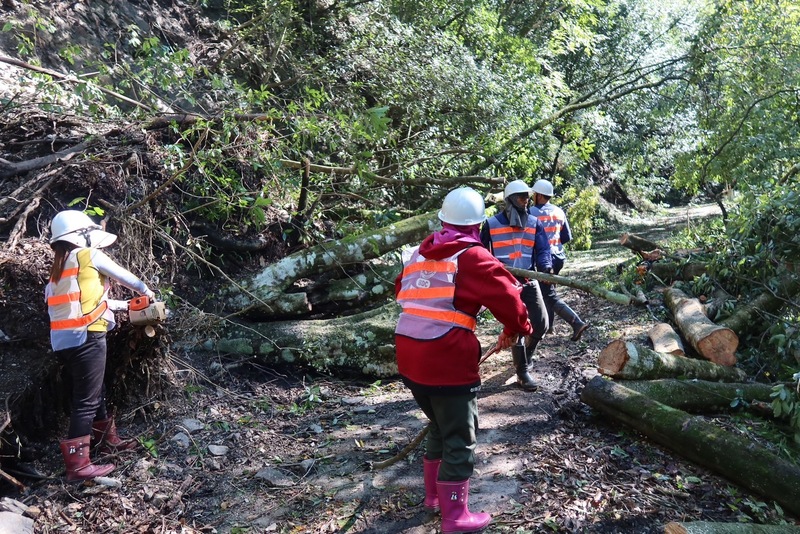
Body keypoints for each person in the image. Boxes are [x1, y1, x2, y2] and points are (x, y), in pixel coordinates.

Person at [395, 187, 533, 534]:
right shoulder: (473, 257)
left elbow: (403, 290)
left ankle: (433, 498)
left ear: (442, 221)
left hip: (408, 355)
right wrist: (518, 328)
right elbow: (510, 298)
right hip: (445, 357)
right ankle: (455, 518)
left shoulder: (417, 253)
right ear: (477, 226)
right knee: (460, 435)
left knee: (440, 426)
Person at [45, 210, 155, 482]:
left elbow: (85, 303)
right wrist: (147, 292)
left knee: (94, 390)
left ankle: (107, 441)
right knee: (86, 400)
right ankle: (78, 466)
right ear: (82, 235)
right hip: (88, 336)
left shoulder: (58, 272)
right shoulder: (89, 256)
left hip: (65, 342)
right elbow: (126, 277)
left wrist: (123, 306)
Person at [480, 179, 551, 392]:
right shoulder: (491, 224)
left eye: (527, 197)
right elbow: (481, 252)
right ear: (510, 200)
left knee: (542, 323)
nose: (526, 201)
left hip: (528, 280)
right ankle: (522, 372)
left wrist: (545, 268)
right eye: (521, 197)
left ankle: (525, 358)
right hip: (505, 284)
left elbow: (543, 249)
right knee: (517, 326)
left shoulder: (534, 222)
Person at [529, 179, 589, 341]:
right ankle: (549, 327)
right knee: (547, 291)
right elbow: (566, 237)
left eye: (534, 193)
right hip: (558, 257)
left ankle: (576, 322)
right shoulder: (559, 211)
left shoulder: (531, 213)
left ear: (539, 195)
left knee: (548, 295)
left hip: (543, 260)